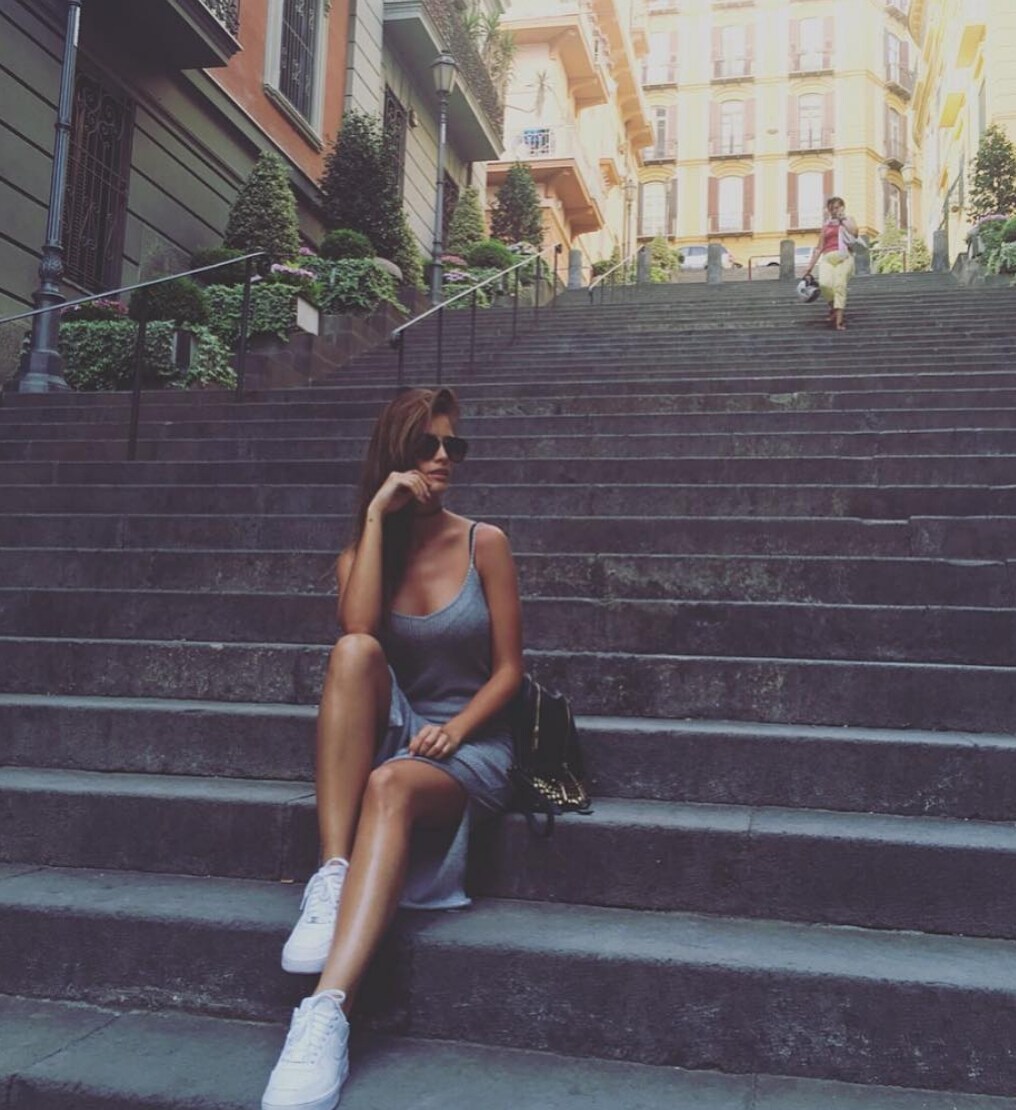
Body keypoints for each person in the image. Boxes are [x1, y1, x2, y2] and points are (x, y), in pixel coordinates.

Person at [261, 386, 523, 1110]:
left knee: (391, 785)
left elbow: (510, 672)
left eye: (452, 446)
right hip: (400, 725)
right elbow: (357, 628)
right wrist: (378, 516)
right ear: (394, 456)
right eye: (426, 445)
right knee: (352, 652)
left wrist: (457, 729)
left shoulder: (485, 542)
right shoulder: (365, 550)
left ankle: (326, 1011)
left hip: (472, 742)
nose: (443, 458)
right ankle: (334, 873)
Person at [804, 196, 860, 331]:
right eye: (831, 209)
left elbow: (855, 233)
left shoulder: (848, 220)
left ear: (842, 207)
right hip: (827, 257)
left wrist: (842, 220)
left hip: (844, 256)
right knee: (824, 284)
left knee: (839, 285)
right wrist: (809, 268)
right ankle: (834, 308)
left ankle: (839, 321)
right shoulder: (826, 226)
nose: (834, 211)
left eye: (836, 207)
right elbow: (819, 248)